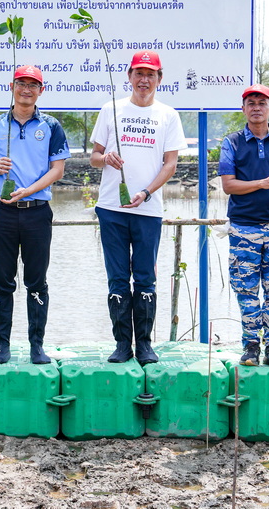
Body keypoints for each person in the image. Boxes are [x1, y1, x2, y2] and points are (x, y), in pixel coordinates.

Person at [90, 50, 186, 365]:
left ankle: (144, 345)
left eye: (150, 74)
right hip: (111, 208)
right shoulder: (110, 110)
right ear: (129, 76)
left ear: (159, 79)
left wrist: (146, 192)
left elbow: (170, 164)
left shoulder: (168, 115)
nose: (143, 80)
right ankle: (122, 344)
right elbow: (94, 157)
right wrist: (105, 159)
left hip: (148, 209)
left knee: (145, 277)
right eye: (138, 73)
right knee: (117, 277)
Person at [0, 65, 70, 365]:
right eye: (21, 83)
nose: (26, 89)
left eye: (33, 84)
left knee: (37, 281)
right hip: (2, 212)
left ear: (41, 90)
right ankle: (2, 345)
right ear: (12, 86)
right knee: (2, 281)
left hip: (36, 213)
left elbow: (58, 170)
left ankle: (36, 345)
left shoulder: (52, 126)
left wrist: (28, 190)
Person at [218, 84, 269, 367]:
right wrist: (262, 183)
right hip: (244, 229)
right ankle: (251, 345)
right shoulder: (232, 142)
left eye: (262, 103)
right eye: (250, 103)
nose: (256, 107)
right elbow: (228, 185)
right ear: (243, 109)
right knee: (246, 288)